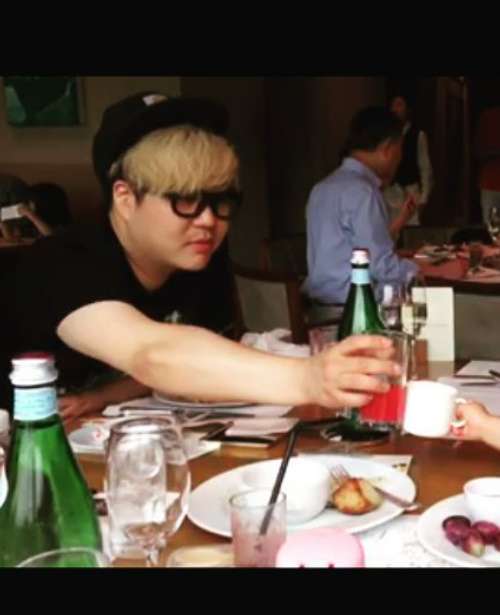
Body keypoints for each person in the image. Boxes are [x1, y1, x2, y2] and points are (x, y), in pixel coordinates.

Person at [0, 91, 401, 421]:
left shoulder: (196, 261)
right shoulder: (64, 263)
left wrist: (103, 395)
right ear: (124, 198)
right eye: (185, 199)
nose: (209, 220)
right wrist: (309, 377)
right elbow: (151, 354)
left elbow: (188, 363)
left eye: (220, 200)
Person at [302, 105, 419, 306]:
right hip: (353, 305)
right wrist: (422, 270)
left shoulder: (320, 188)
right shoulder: (364, 192)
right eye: (400, 149)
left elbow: (353, 246)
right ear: (388, 150)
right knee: (429, 297)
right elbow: (381, 266)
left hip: (317, 303)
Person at [383, 93, 433, 226]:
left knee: (410, 230)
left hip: (410, 192)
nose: (395, 109)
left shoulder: (418, 135)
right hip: (390, 194)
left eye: (399, 105)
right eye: (393, 105)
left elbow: (425, 167)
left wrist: (424, 198)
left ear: (408, 109)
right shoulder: (385, 136)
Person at [474, 105, 500, 224]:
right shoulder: (488, 117)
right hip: (490, 185)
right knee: (492, 227)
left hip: (489, 184)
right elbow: (478, 150)